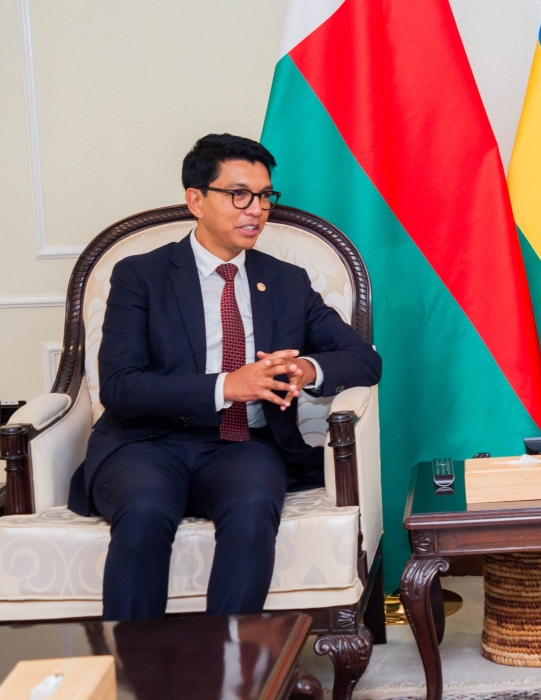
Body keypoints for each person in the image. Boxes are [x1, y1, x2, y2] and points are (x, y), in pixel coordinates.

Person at [67, 133, 382, 619]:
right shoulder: (141, 276)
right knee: (146, 510)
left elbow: (363, 360)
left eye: (264, 195)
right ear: (196, 200)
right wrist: (226, 386)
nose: (256, 209)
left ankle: (230, 658)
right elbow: (121, 386)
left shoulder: (286, 281)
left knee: (254, 505)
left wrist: (305, 368)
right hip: (146, 443)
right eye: (239, 194)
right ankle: (132, 661)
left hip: (244, 446)